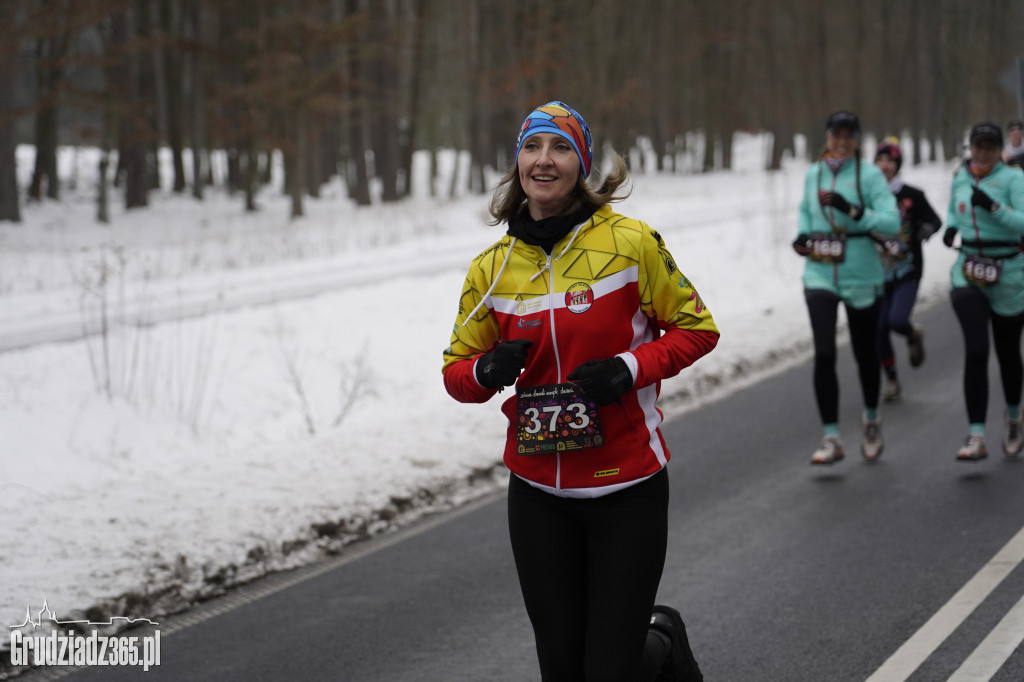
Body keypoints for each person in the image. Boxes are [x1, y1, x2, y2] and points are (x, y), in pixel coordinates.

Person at [442, 101, 717, 681]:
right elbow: (455, 374)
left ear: (582, 164)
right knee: (562, 668)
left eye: (561, 148)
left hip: (628, 488)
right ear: (517, 161)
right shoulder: (491, 267)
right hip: (539, 495)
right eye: (533, 147)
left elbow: (697, 330)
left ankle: (661, 639)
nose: (545, 161)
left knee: (609, 672)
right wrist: (488, 371)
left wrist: (628, 368)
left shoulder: (631, 243)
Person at [792, 111, 900, 464]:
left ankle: (870, 418)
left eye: (848, 136)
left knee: (864, 351)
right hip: (820, 271)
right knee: (824, 353)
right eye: (836, 135)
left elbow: (891, 222)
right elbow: (806, 212)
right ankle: (831, 436)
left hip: (861, 270)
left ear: (857, 139)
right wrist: (803, 236)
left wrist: (853, 211)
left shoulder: (869, 175)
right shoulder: (813, 172)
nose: (841, 142)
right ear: (826, 137)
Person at [941, 121, 1024, 460]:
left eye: (991, 146)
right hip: (969, 270)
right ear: (970, 147)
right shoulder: (960, 176)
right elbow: (953, 209)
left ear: (998, 148)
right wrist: (949, 228)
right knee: (976, 350)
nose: (984, 151)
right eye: (979, 145)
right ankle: (976, 435)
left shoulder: (1014, 179)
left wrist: (993, 207)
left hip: (1009, 271)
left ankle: (1014, 417)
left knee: (1007, 353)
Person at [872, 137, 943, 403]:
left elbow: (935, 220)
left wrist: (926, 229)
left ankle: (913, 333)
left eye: (890, 161)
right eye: (880, 160)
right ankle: (891, 380)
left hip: (907, 270)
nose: (885, 165)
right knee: (878, 328)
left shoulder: (911, 195)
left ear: (898, 164)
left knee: (896, 321)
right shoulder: (867, 195)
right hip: (877, 272)